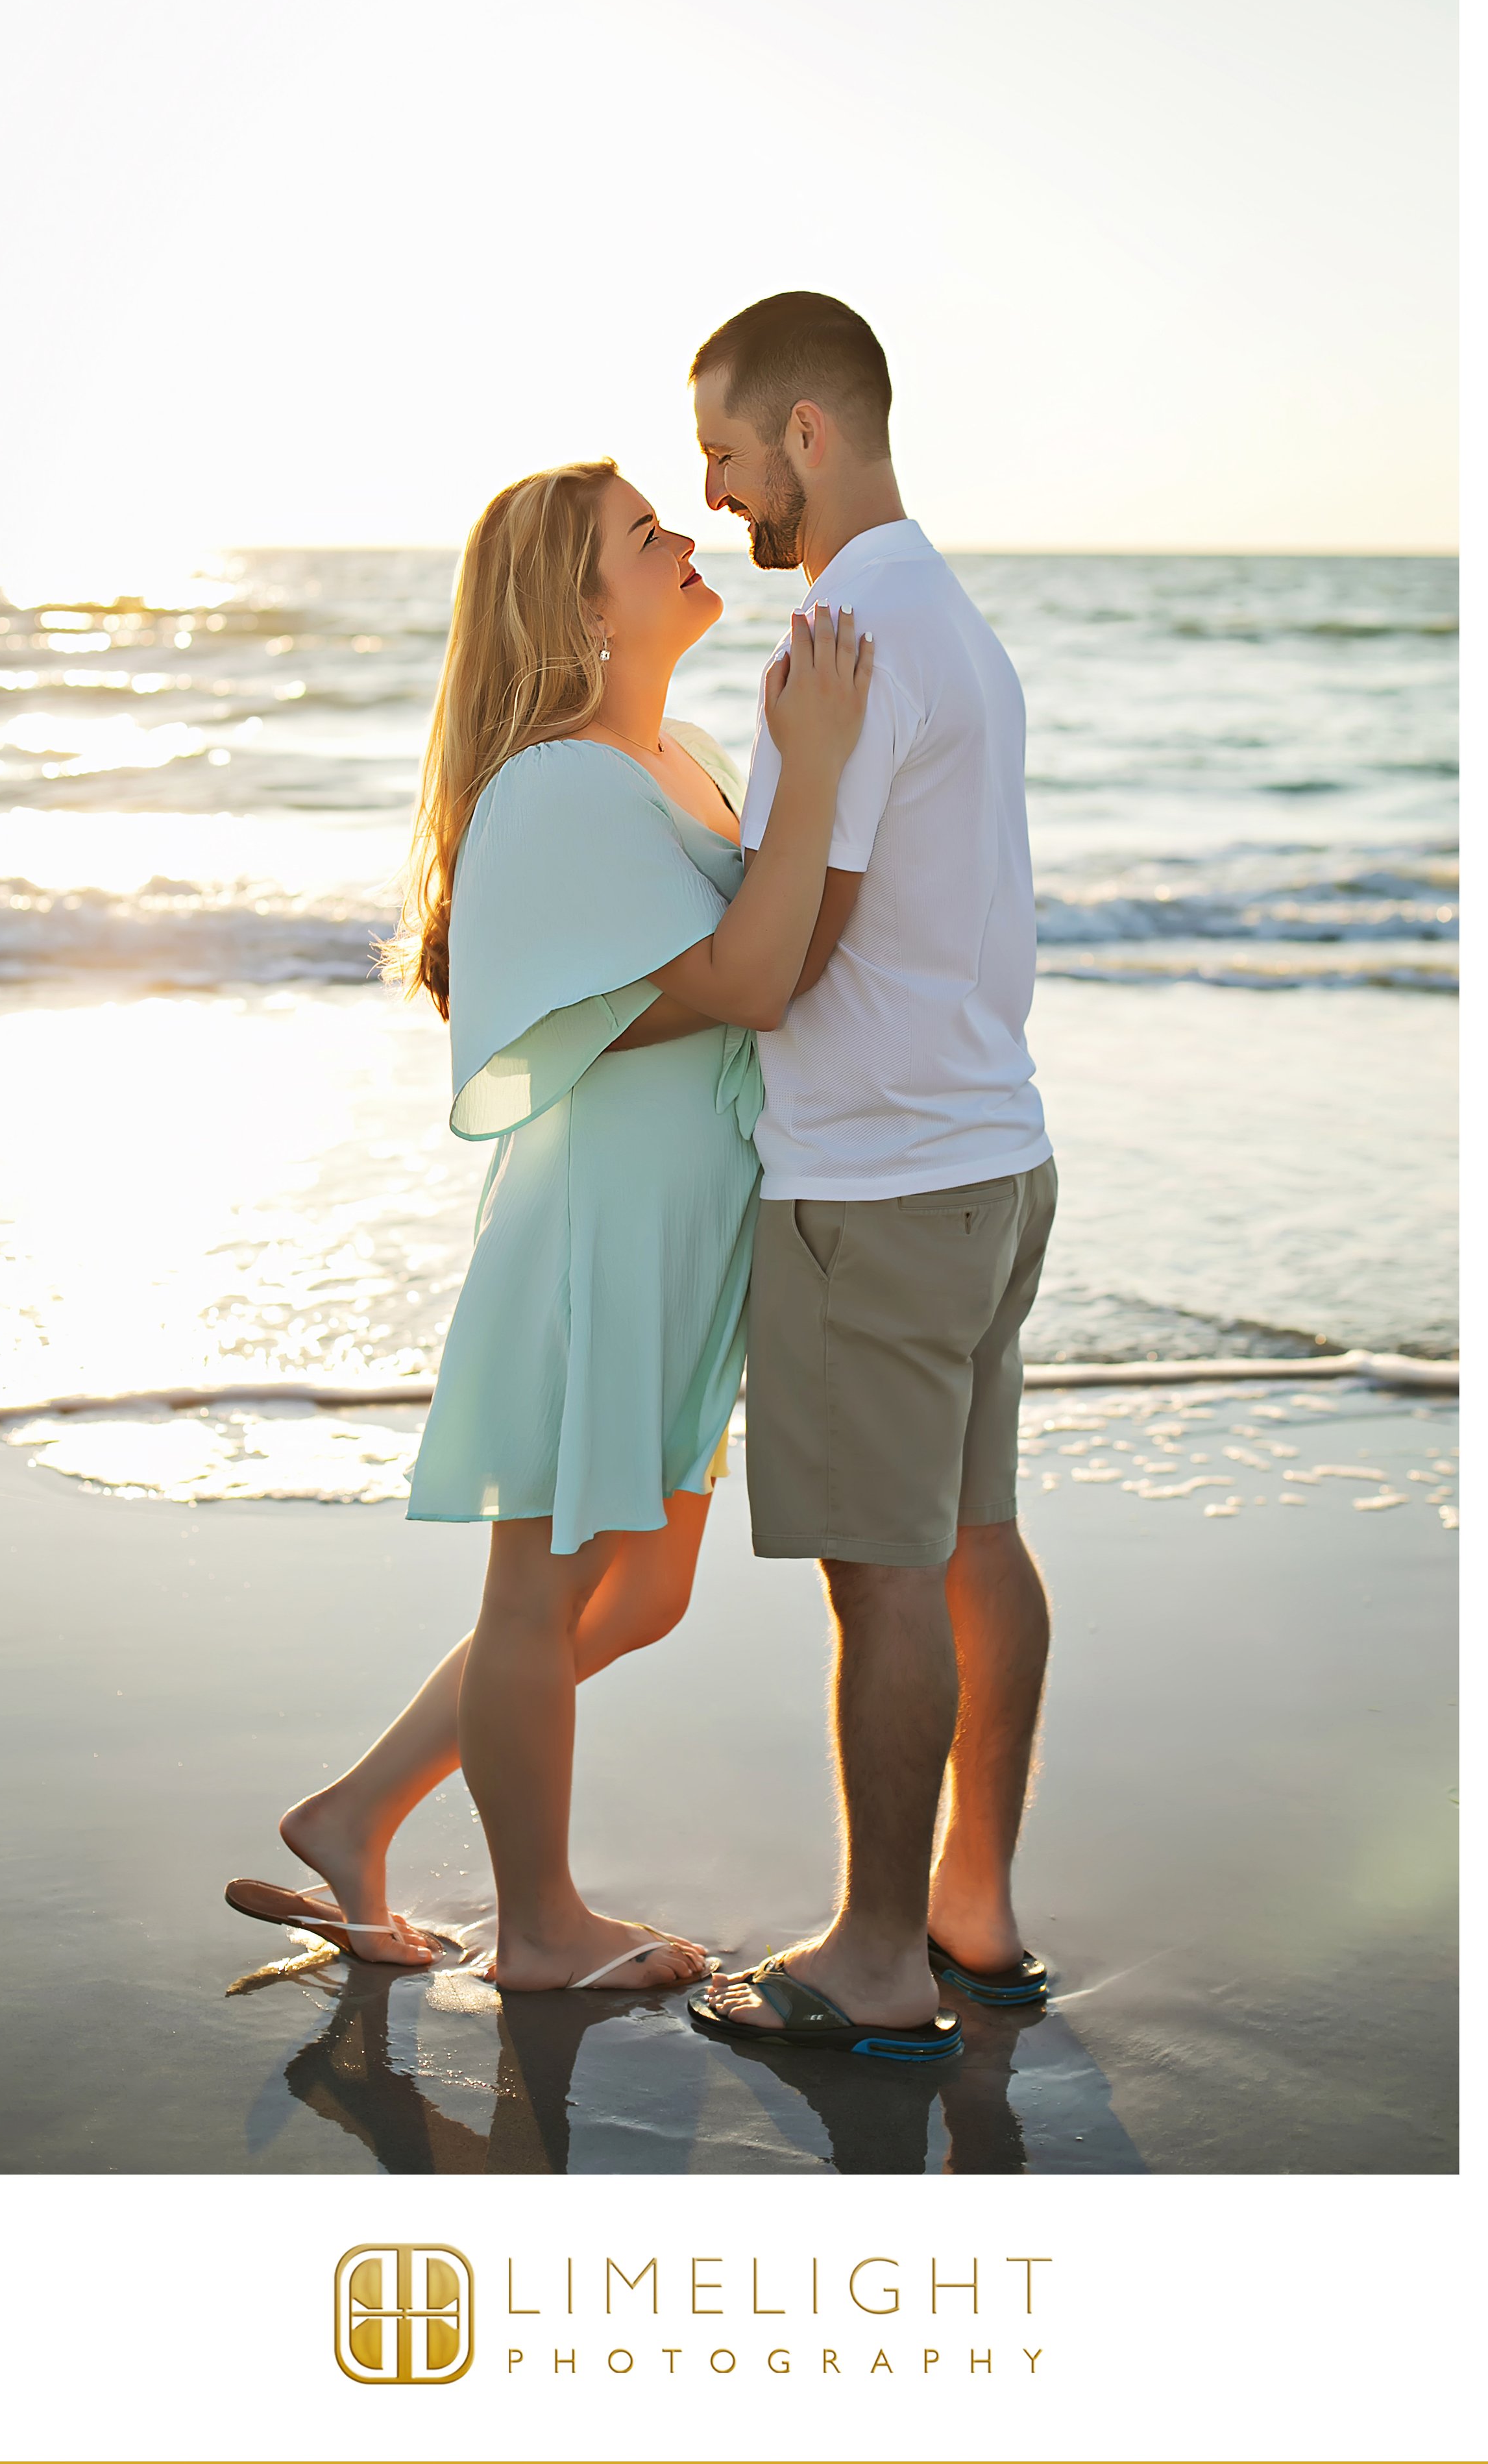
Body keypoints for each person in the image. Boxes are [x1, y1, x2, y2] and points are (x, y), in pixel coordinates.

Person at [226, 456, 872, 1992]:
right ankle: (537, 1926)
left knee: (640, 1591)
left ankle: (356, 1805)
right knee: (538, 1589)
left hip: (685, 1231)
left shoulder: (688, 754)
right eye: (646, 537)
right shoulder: (563, 782)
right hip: (597, 1232)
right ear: (577, 605)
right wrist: (827, 760)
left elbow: (775, 944)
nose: (688, 537)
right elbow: (740, 982)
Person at [687, 293, 1058, 2062]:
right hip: (988, 1153)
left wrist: (602, 1011)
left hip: (874, 1188)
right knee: (971, 1537)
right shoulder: (943, 613)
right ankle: (968, 1910)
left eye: (728, 450)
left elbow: (785, 958)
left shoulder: (840, 631)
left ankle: (878, 1956)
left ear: (807, 435)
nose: (714, 491)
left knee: (882, 1576)